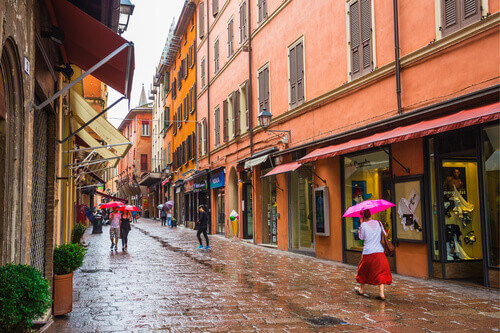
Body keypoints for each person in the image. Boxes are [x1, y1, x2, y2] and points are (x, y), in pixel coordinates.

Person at [354, 209, 392, 301]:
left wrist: (360, 227)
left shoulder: (363, 225)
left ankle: (361, 289)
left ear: (362, 217)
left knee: (363, 270)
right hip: (379, 251)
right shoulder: (378, 223)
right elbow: (385, 234)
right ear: (370, 215)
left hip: (368, 252)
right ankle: (381, 293)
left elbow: (361, 238)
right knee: (381, 271)